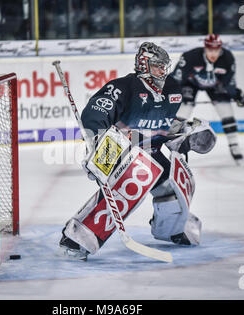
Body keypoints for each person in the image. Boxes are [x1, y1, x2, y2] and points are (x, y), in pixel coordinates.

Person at [59, 42, 215, 261]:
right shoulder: (123, 87)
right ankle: (79, 236)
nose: (163, 71)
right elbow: (95, 113)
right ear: (144, 65)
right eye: (158, 66)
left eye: (165, 66)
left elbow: (163, 125)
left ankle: (172, 228)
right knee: (134, 181)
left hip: (150, 150)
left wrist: (184, 133)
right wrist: (98, 151)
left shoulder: (172, 89)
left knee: (172, 186)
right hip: (121, 150)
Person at [170, 34, 244, 164]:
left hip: (216, 85)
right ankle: (175, 141)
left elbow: (229, 84)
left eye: (216, 50)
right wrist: (164, 91)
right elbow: (176, 79)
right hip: (190, 83)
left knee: (226, 110)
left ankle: (234, 145)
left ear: (221, 49)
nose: (213, 53)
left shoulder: (227, 58)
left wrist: (237, 95)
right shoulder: (190, 57)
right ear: (204, 48)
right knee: (185, 108)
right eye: (210, 50)